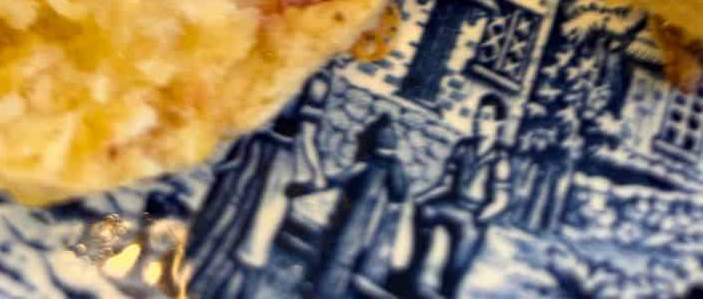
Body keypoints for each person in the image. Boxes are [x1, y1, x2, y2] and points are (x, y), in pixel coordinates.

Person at [186, 72, 330, 299]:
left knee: (240, 222)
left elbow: (301, 132)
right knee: (242, 225)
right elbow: (304, 134)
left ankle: (204, 285)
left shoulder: (309, 79)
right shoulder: (310, 78)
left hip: (264, 157)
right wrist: (318, 177)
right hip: (266, 158)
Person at [392, 91, 512, 298]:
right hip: (452, 203)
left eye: (485, 118)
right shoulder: (463, 147)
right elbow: (445, 184)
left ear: (498, 124)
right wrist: (421, 197)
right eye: (477, 115)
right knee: (426, 211)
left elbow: (501, 199)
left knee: (455, 269)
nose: (478, 121)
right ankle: (410, 277)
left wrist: (481, 216)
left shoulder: (499, 159)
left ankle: (447, 291)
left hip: (473, 214)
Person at [307, 112, 409, 296]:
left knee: (341, 258)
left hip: (361, 221)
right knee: (337, 257)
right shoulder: (382, 164)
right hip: (354, 218)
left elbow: (397, 197)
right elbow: (398, 195)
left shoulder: (380, 165)